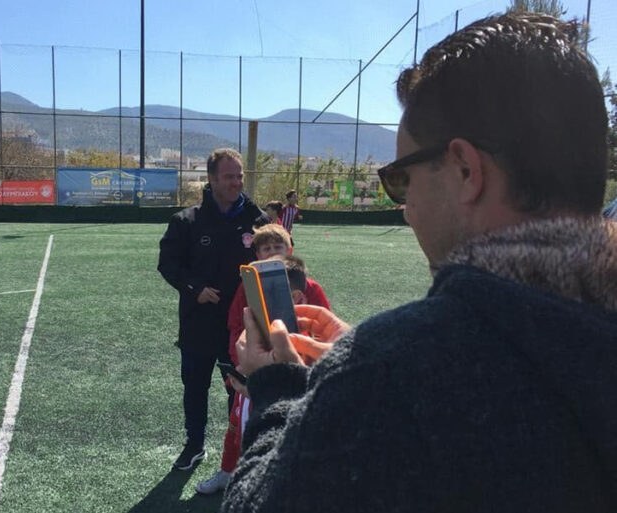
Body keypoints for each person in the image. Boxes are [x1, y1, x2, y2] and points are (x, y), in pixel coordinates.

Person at [222, 12, 617, 512]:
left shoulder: (391, 374)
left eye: (401, 178)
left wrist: (278, 389)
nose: (406, 208)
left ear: (465, 170)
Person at [158, 147, 268, 470]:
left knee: (241, 391)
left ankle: (241, 450)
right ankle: (194, 445)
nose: (236, 182)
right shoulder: (186, 221)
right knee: (195, 387)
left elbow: (278, 258)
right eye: (229, 176)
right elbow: (168, 264)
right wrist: (194, 288)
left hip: (243, 327)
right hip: (199, 323)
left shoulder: (257, 221)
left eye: (240, 176)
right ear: (212, 179)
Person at [196, 241, 333, 495]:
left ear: (297, 297)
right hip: (249, 378)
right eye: (265, 248)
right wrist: (240, 362)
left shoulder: (307, 316)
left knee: (273, 435)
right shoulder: (250, 290)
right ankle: (227, 471)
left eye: (278, 246)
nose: (259, 301)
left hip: (278, 390)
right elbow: (236, 325)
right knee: (236, 427)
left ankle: (266, 482)